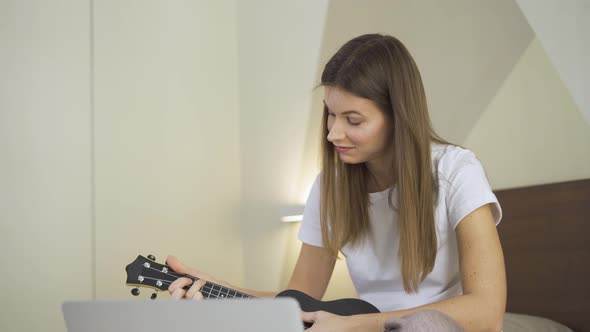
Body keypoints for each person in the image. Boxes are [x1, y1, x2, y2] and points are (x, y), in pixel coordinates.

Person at [167, 33, 506, 332]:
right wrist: (218, 291)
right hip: (361, 326)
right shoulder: (329, 189)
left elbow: (487, 314)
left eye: (353, 120)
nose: (333, 133)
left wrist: (357, 324)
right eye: (330, 113)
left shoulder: (455, 172)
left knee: (423, 327)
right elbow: (298, 300)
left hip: (433, 329)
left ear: (398, 118)